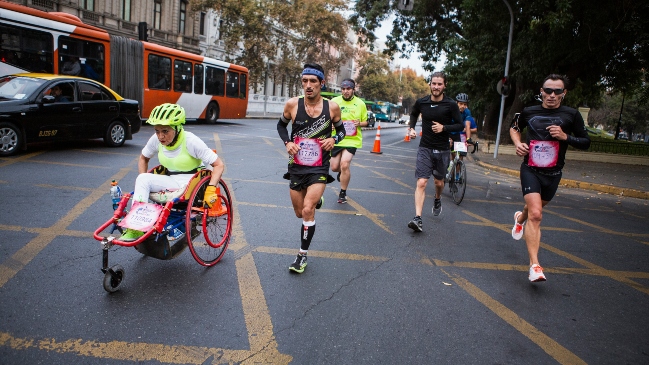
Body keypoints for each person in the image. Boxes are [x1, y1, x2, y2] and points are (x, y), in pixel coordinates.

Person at [509, 74, 590, 282]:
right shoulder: (529, 111)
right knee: (536, 214)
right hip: (530, 169)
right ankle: (534, 266)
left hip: (553, 173)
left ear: (564, 93)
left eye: (557, 91)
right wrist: (518, 143)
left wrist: (565, 137)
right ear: (541, 91)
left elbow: (586, 142)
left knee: (533, 210)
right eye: (548, 90)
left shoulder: (571, 115)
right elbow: (514, 127)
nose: (552, 95)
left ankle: (519, 219)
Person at [119, 103, 225, 242]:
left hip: (190, 183)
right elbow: (143, 158)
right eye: (157, 131)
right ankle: (135, 227)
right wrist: (142, 183)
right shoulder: (156, 140)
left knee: (147, 182)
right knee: (143, 179)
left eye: (165, 131)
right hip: (171, 180)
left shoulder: (190, 141)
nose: (160, 136)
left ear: (177, 128)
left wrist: (211, 189)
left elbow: (218, 165)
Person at [277, 63, 344, 273]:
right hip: (296, 166)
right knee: (299, 212)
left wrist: (334, 139)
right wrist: (287, 142)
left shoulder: (331, 107)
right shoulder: (292, 105)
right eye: (305, 81)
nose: (308, 85)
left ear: (321, 83)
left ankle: (301, 256)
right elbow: (280, 126)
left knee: (308, 210)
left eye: (313, 81)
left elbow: (342, 132)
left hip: (319, 167)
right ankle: (316, 200)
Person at [406, 72, 464, 232]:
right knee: (422, 182)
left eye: (439, 84)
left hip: (443, 149)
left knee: (439, 182)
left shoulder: (450, 104)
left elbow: (459, 125)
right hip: (425, 147)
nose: (436, 87)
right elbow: (414, 113)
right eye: (434, 83)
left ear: (444, 86)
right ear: (430, 84)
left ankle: (437, 198)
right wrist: (411, 128)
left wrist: (444, 128)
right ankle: (417, 218)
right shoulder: (422, 102)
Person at [330, 78, 368, 203]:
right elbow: (327, 118)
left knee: (345, 164)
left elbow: (366, 122)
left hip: (352, 139)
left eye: (348, 89)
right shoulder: (334, 102)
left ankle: (342, 193)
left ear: (353, 89)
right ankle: (341, 173)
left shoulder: (360, 104)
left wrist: (359, 123)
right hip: (337, 138)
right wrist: (329, 124)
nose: (345, 91)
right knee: (335, 167)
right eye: (343, 89)